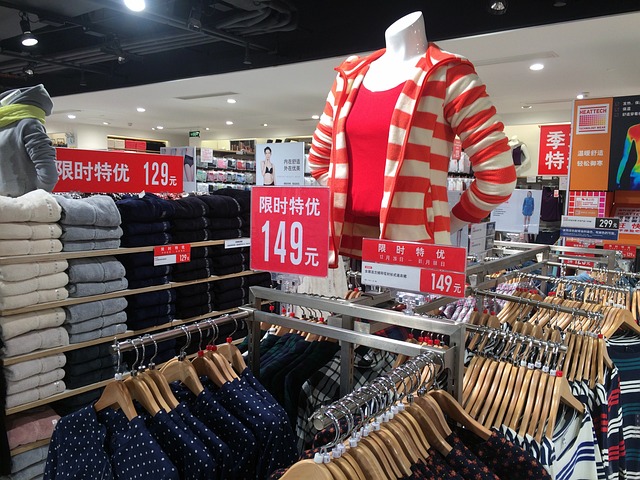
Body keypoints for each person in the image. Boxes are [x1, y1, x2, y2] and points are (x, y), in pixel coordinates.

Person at [308, 11, 516, 267]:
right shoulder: (348, 77)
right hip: (348, 248)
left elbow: (498, 178)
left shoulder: (450, 75)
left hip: (414, 254)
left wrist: (446, 224)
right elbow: (318, 161)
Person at [0, 84, 58, 197]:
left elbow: (48, 174)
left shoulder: (29, 124)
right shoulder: (3, 124)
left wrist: (34, 196)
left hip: (22, 203)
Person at [616, 123, 640, 190]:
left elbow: (625, 157)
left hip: (637, 174)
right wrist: (617, 180)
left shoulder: (633, 129)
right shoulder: (633, 130)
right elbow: (625, 157)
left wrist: (617, 180)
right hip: (637, 175)